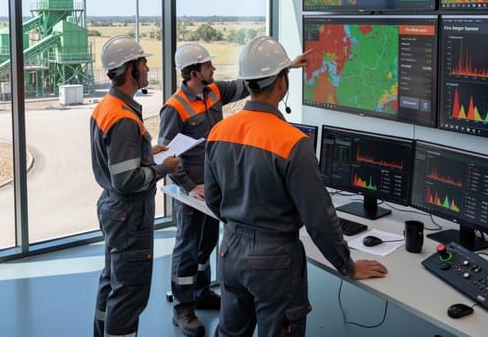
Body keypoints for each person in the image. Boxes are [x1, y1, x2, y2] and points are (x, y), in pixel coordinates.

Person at [204, 36, 388, 337]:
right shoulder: (292, 143)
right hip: (275, 261)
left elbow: (213, 198)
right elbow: (319, 219)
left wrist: (241, 225)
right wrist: (348, 266)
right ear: (282, 83)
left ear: (247, 82)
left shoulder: (219, 131)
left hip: (231, 250)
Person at [160, 42, 310, 337]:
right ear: (193, 72)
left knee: (205, 246)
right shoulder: (175, 107)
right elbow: (165, 155)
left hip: (214, 188)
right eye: (207, 66)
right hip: (193, 193)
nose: (213, 69)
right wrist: (189, 186)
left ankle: (201, 292)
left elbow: (250, 83)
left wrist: (287, 66)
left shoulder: (214, 91)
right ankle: (183, 309)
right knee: (187, 250)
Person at [90, 35, 181, 337]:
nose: (147, 68)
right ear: (131, 70)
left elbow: (115, 161)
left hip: (114, 209)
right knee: (129, 294)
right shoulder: (124, 119)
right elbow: (127, 180)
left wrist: (147, 153)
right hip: (129, 214)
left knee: (112, 282)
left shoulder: (108, 107)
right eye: (143, 63)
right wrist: (163, 168)